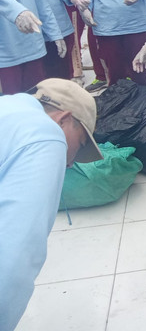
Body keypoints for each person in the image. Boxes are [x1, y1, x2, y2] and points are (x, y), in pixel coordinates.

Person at [0, 78, 102, 331]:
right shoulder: (47, 136)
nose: (70, 163)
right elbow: (16, 256)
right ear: (63, 119)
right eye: (79, 145)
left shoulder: (9, 108)